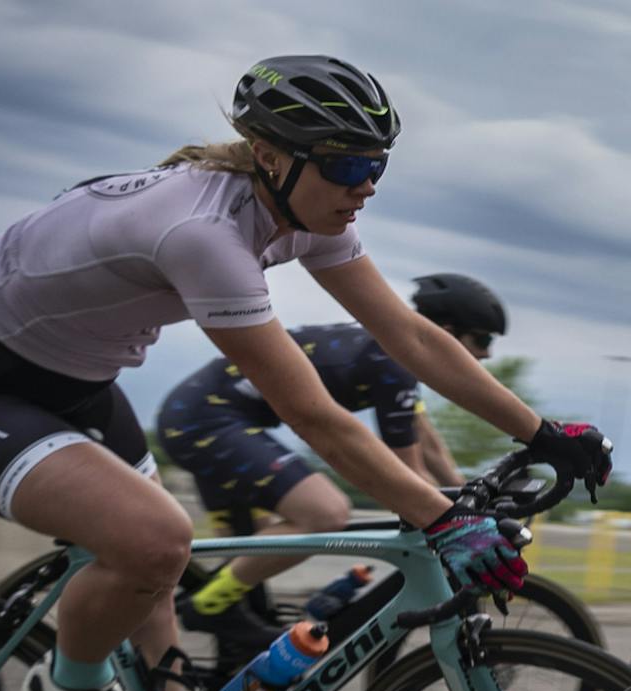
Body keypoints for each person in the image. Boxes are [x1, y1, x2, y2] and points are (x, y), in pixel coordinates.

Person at [0, 55, 608, 691]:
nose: (366, 184)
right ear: (271, 155)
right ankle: (68, 684)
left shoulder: (306, 212)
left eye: (378, 166)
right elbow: (313, 414)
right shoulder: (203, 234)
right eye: (348, 165)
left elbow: (408, 336)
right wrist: (442, 519)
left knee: (159, 580)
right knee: (152, 540)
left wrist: (540, 432)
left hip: (78, 380)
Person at [157, 272, 509, 646]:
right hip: (205, 420)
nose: (487, 354)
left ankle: (235, 664)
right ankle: (208, 607)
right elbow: (409, 472)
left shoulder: (391, 353)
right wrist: (460, 518)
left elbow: (427, 444)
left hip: (206, 417)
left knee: (251, 566)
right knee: (324, 513)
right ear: (448, 331)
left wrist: (470, 494)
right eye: (483, 339)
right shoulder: (393, 363)